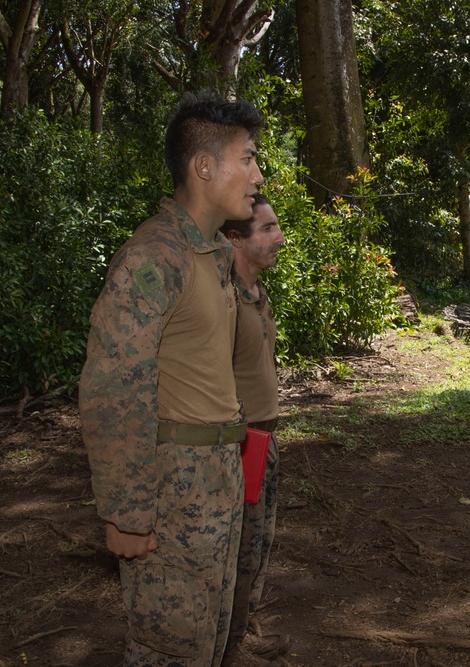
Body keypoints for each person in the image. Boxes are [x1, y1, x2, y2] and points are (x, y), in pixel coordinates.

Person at [79, 91, 265, 667]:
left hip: (217, 479)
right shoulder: (153, 257)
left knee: (205, 644)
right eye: (250, 158)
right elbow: (113, 387)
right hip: (173, 492)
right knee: (168, 651)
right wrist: (127, 512)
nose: (259, 176)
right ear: (204, 167)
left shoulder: (210, 254)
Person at [222, 194, 288, 667]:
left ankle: (241, 636)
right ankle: (225, 650)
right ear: (235, 240)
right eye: (266, 229)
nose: (278, 238)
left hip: (265, 439)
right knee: (234, 551)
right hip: (237, 443)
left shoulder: (257, 294)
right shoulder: (222, 300)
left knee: (258, 544)